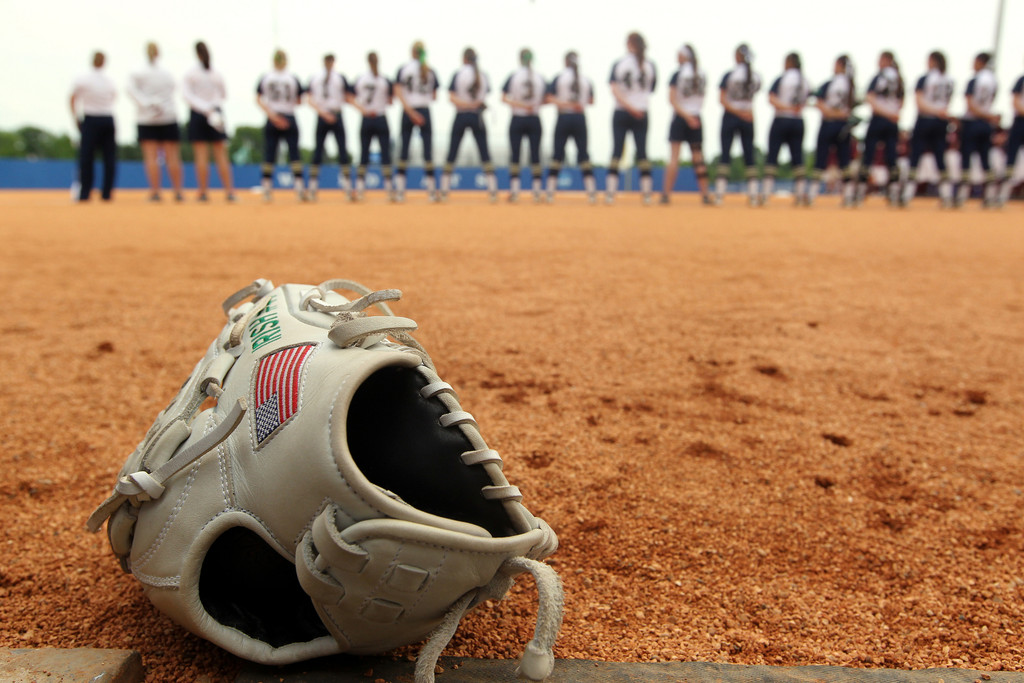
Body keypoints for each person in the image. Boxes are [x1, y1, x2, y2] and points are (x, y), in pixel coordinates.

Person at [127, 42, 183, 202]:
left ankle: (155, 192)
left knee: (151, 157)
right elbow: (173, 90)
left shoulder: (137, 72)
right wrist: (160, 106)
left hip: (147, 118)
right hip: (168, 116)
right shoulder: (167, 73)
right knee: (172, 156)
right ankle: (178, 191)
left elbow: (131, 91)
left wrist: (148, 104)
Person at [441, 48, 497, 202]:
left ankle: (444, 190)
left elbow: (451, 98)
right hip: (477, 117)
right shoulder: (483, 75)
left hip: (461, 115)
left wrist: (466, 104)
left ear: (464, 58)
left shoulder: (459, 74)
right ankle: (492, 190)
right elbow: (484, 97)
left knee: (452, 151)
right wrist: (474, 105)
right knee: (484, 152)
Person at [607, 32, 657, 204]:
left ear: (629, 44)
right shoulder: (650, 65)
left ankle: (610, 194)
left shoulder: (620, 64)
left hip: (622, 111)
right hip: (642, 113)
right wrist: (636, 108)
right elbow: (650, 90)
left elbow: (614, 89)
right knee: (642, 153)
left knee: (616, 152)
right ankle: (647, 194)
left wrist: (628, 107)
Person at [182, 41, 235, 202]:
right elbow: (224, 94)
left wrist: (204, 108)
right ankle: (229, 192)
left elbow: (186, 96)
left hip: (199, 114)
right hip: (216, 113)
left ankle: (203, 192)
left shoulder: (191, 73)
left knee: (201, 155)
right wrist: (211, 108)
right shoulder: (216, 73)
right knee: (221, 154)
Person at [901, 51, 954, 207]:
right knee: (940, 158)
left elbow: (919, 103)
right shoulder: (949, 80)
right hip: (941, 122)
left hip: (925, 120)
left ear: (932, 61)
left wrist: (933, 111)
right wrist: (940, 112)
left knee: (915, 157)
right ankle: (947, 196)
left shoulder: (925, 79)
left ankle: (906, 195)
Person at [545, 50, 596, 203]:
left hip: (564, 117)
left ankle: (550, 193)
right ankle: (591, 193)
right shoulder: (585, 79)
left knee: (557, 155)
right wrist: (578, 104)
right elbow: (591, 100)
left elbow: (549, 98)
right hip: (580, 117)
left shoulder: (559, 78)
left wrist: (566, 104)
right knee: (583, 155)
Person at [661, 44, 709, 205]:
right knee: (698, 158)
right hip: (696, 117)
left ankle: (666, 194)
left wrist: (685, 116)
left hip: (681, 117)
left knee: (674, 157)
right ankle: (705, 194)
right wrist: (692, 116)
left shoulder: (678, 74)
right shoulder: (701, 74)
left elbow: (672, 100)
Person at [256, 49, 306, 202]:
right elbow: (299, 100)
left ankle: (266, 188)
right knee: (294, 154)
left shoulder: (266, 77)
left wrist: (273, 116)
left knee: (269, 154)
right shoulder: (292, 78)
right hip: (289, 116)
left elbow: (258, 99)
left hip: (272, 116)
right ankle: (298, 188)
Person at [855, 51, 904, 206]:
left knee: (868, 155)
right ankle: (895, 193)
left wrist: (884, 113)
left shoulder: (881, 76)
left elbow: (869, 97)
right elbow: (902, 100)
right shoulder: (898, 78)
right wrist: (893, 114)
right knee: (892, 157)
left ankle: (860, 193)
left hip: (879, 119)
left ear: (886, 60)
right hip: (892, 121)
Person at [763, 52, 811, 205]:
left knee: (773, 157)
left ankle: (765, 194)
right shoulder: (805, 81)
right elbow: (810, 98)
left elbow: (771, 98)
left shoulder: (783, 79)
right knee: (798, 158)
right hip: (798, 120)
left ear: (789, 62)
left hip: (782, 118)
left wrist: (787, 107)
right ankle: (800, 194)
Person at [394, 41, 440, 202]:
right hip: (425, 111)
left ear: (412, 52)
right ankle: (432, 192)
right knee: (427, 152)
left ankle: (400, 191)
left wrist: (411, 112)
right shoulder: (430, 71)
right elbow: (434, 96)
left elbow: (398, 92)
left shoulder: (404, 69)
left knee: (404, 151)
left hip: (408, 111)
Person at [716, 44, 761, 205]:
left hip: (731, 117)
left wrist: (737, 112)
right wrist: (746, 113)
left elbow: (722, 100)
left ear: (737, 57)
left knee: (725, 155)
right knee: (749, 156)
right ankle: (753, 195)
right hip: (748, 117)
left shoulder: (730, 75)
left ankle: (720, 194)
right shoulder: (756, 76)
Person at [70, 51, 117, 202]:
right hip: (107, 118)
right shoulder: (110, 80)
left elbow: (72, 98)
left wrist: (75, 117)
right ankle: (107, 193)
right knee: (109, 158)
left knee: (86, 157)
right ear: (104, 62)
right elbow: (114, 97)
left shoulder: (83, 79)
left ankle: (85, 193)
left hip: (91, 118)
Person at [347, 51, 394, 201]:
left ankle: (360, 190)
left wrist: (362, 109)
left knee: (364, 155)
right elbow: (391, 100)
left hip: (367, 118)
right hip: (380, 117)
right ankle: (389, 190)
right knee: (385, 155)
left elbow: (349, 97)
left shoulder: (361, 79)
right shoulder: (384, 80)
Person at [502, 48, 547, 202]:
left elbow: (503, 97)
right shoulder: (539, 77)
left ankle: (515, 192)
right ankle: (536, 192)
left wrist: (519, 104)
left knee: (515, 156)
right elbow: (547, 98)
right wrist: (533, 105)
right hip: (534, 118)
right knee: (535, 155)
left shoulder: (514, 76)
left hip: (518, 118)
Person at [306, 53, 352, 201]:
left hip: (336, 114)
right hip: (323, 114)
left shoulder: (339, 78)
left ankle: (347, 188)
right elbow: (309, 99)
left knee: (342, 151)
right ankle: (312, 188)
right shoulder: (316, 78)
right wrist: (323, 113)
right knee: (318, 151)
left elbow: (347, 96)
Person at [812, 55, 857, 206]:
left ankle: (812, 195)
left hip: (829, 124)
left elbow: (817, 101)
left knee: (820, 160)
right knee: (845, 162)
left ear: (839, 65)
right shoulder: (851, 85)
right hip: (843, 125)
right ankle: (848, 196)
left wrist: (831, 113)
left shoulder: (831, 83)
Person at [957, 52, 1000, 207]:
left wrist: (983, 114)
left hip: (973, 122)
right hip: (986, 123)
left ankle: (961, 196)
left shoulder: (975, 80)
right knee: (985, 161)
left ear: (981, 62)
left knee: (966, 159)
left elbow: (970, 105)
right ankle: (990, 196)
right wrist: (989, 116)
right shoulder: (994, 81)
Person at [999, 61, 1024, 205]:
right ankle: (1003, 195)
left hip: (1021, 121)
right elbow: (1015, 101)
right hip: (1020, 121)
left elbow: (1015, 101)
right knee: (1010, 160)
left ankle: (1002, 196)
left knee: (1011, 159)